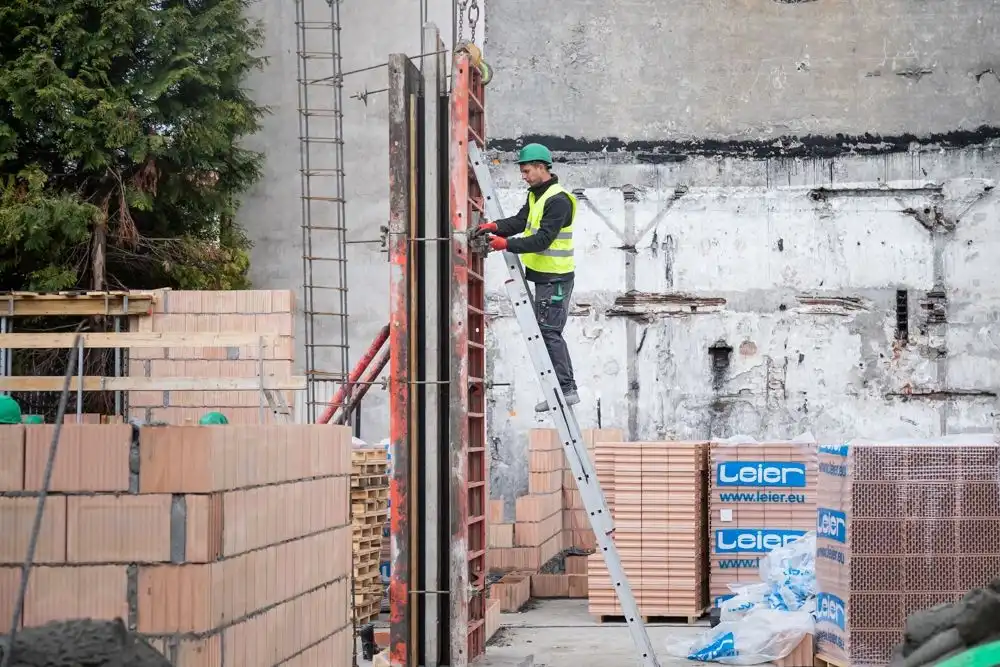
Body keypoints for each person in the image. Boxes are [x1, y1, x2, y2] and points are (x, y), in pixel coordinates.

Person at [472, 143, 579, 412]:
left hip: (556, 278)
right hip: (545, 277)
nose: (524, 176)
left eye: (527, 171)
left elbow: (543, 239)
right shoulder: (536, 195)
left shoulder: (558, 200)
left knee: (549, 332)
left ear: (542, 167)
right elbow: (521, 221)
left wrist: (505, 244)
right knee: (545, 332)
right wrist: (494, 227)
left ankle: (567, 390)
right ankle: (560, 391)